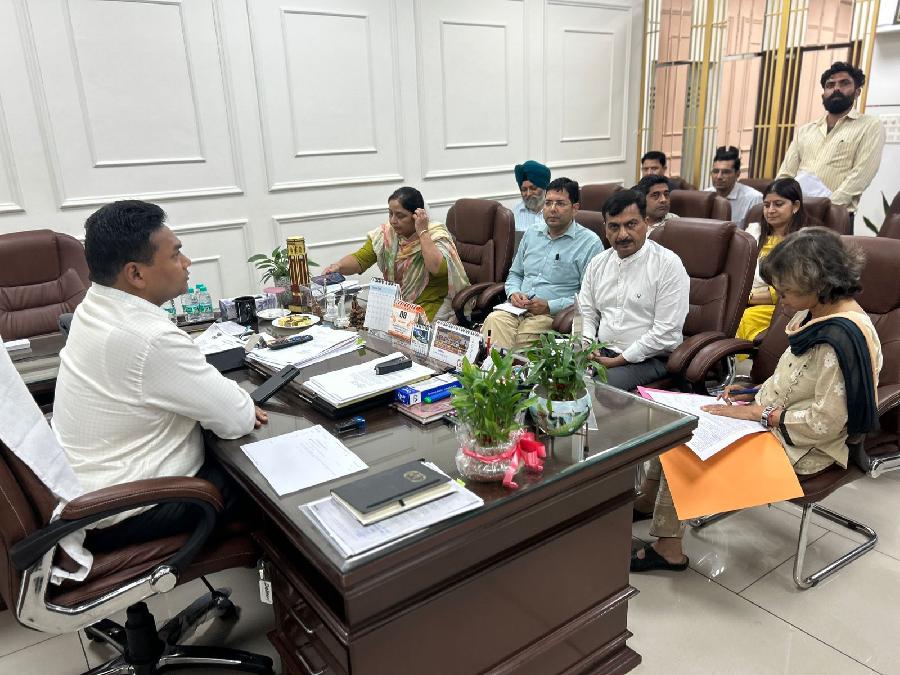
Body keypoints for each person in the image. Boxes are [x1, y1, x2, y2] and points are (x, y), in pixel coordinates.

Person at [631, 227, 882, 572]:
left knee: (689, 446)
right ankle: (648, 503)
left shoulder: (844, 338)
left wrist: (760, 414)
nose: (780, 300)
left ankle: (668, 549)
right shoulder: (815, 311)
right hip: (774, 417)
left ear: (818, 284)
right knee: (676, 425)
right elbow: (797, 379)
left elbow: (825, 423)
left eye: (786, 291)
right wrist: (752, 392)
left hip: (807, 446)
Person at [53, 200, 267, 549]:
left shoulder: (93, 306)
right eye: (176, 254)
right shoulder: (147, 337)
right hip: (125, 509)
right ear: (136, 274)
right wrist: (236, 404)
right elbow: (237, 419)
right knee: (260, 479)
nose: (187, 262)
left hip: (86, 493)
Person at [578, 190, 690, 391]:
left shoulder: (667, 264)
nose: (622, 235)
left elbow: (665, 332)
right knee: (556, 374)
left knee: (598, 389)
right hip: (603, 351)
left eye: (631, 224)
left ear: (646, 223)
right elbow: (587, 312)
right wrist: (587, 346)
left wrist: (620, 359)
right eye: (614, 226)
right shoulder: (598, 263)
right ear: (605, 229)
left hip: (651, 358)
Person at [481, 177, 603, 350]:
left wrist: (550, 306)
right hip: (516, 309)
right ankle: (496, 367)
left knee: (524, 340)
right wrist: (513, 293)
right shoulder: (532, 233)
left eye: (560, 203)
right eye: (548, 203)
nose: (552, 209)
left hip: (552, 316)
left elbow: (588, 297)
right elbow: (516, 273)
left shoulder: (589, 243)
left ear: (575, 208)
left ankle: (509, 367)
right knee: (493, 322)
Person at [324, 187, 469, 322]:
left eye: (400, 216)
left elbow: (437, 269)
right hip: (398, 302)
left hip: (432, 302)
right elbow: (360, 259)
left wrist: (422, 231)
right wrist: (338, 266)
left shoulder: (436, 235)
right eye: (390, 213)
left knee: (409, 334)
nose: (393, 221)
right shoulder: (387, 235)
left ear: (417, 215)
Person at [777, 62, 885, 219]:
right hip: (795, 214)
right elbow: (786, 174)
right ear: (823, 94)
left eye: (844, 83)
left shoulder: (870, 126)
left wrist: (825, 207)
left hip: (834, 216)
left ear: (857, 92)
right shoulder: (806, 131)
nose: (836, 89)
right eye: (830, 85)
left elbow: (860, 176)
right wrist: (781, 204)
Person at [736, 178, 812, 342]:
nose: (770, 210)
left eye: (778, 204)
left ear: (795, 206)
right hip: (743, 297)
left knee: (745, 318)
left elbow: (791, 289)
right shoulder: (754, 232)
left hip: (780, 306)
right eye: (766, 205)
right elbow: (738, 270)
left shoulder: (803, 241)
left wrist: (745, 298)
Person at [705, 145, 762, 227]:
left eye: (725, 172)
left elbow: (754, 232)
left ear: (737, 174)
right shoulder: (705, 195)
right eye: (716, 171)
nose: (719, 177)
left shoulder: (753, 198)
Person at [512, 160, 551, 232]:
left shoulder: (555, 212)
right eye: (524, 189)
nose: (528, 194)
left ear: (544, 188)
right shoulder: (513, 216)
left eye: (533, 188)